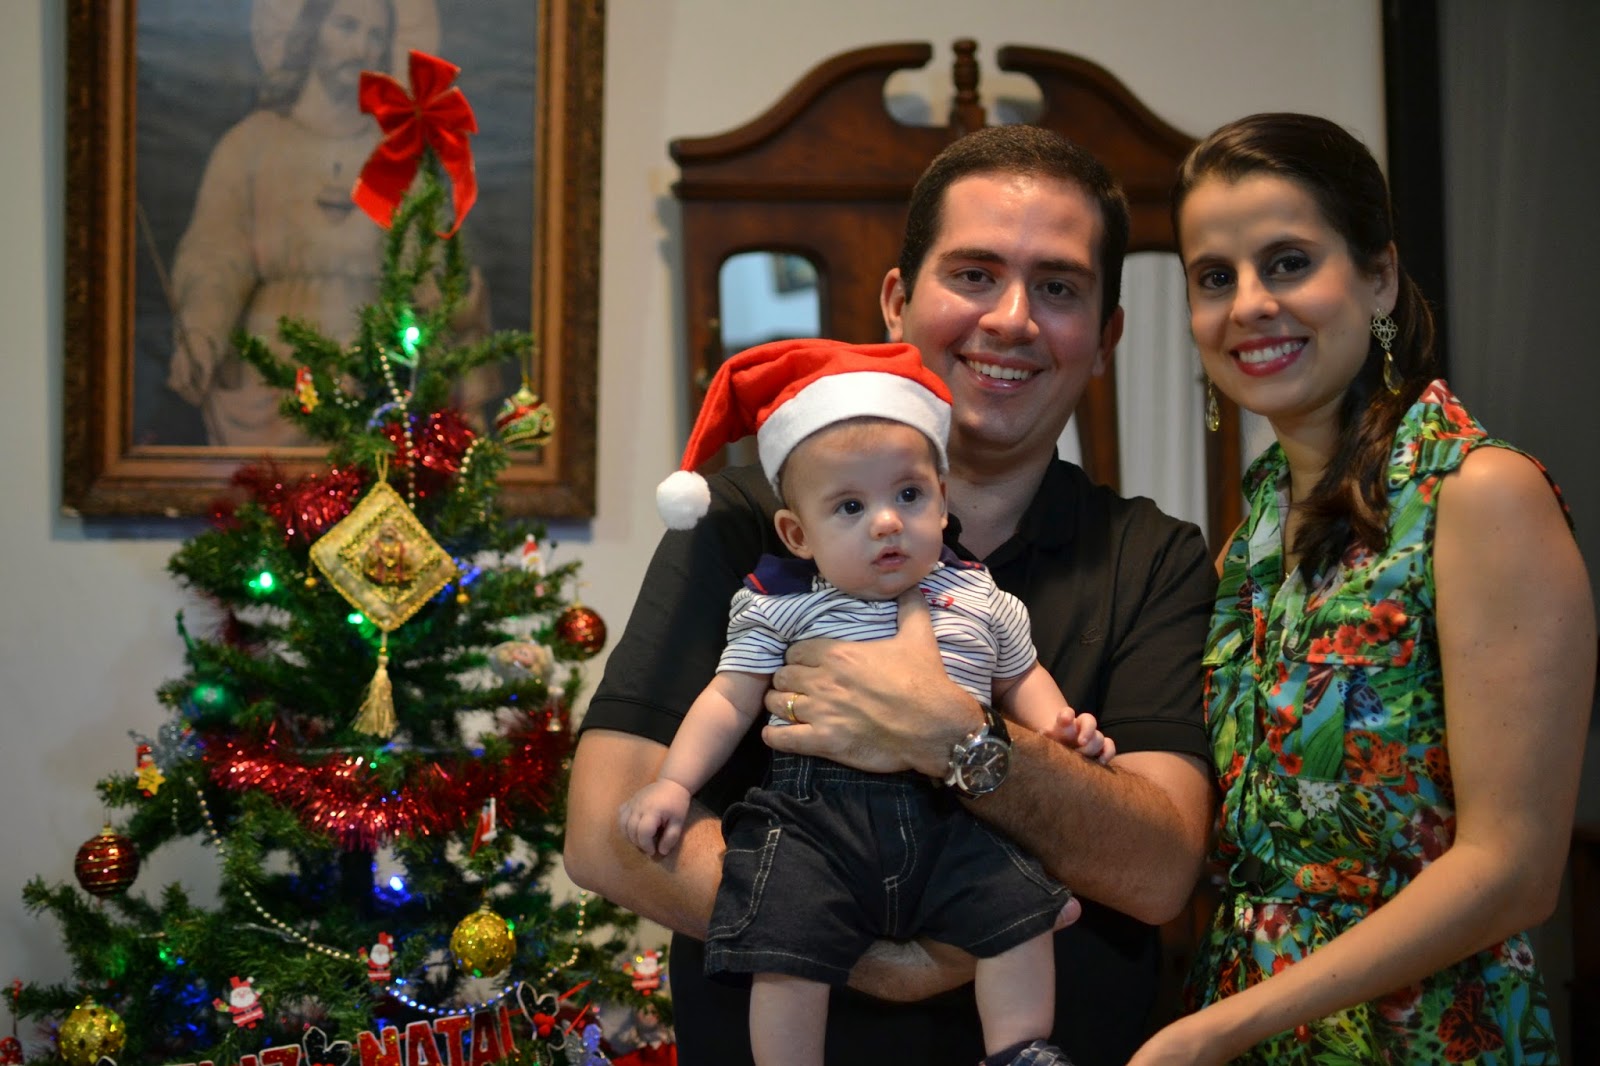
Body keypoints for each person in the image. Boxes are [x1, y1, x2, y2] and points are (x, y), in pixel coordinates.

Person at [565, 124, 1219, 1066]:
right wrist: (868, 950)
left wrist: (948, 734)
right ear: (898, 302)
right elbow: (605, 829)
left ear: (1106, 336)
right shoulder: (745, 528)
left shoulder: (1152, 558)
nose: (1013, 319)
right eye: (975, 274)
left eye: (1059, 288)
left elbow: (1157, 871)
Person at [1126, 112, 1596, 1065]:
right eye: (1214, 277)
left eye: (1288, 263)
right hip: (1248, 1030)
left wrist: (1220, 1029)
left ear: (1378, 276)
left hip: (1422, 1037)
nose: (1249, 304)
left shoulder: (1477, 495)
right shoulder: (1255, 528)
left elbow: (1514, 871)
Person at [623, 339, 1115, 1066]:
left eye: (908, 495)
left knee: (1018, 916)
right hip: (815, 820)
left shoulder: (979, 598)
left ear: (942, 501)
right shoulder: (782, 606)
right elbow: (727, 699)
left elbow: (1022, 677)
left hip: (956, 811)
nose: (886, 522)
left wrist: (1062, 729)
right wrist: (674, 782)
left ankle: (1019, 1051)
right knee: (784, 942)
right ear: (798, 535)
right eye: (850, 506)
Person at [166, 0, 490, 446]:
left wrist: (452, 306)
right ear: (312, 32)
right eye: (346, 26)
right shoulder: (251, 146)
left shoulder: (399, 155)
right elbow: (215, 259)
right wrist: (202, 334)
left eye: (375, 35)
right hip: (270, 384)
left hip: (372, 382)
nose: (361, 47)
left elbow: (428, 273)